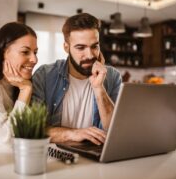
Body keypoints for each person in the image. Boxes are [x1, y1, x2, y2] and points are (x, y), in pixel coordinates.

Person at [32, 13, 122, 145]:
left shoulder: (112, 76)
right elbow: (34, 130)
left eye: (94, 46)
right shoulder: (44, 75)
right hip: (56, 156)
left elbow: (115, 130)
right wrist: (74, 134)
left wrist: (98, 88)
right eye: (80, 48)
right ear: (66, 47)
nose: (90, 55)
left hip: (96, 157)